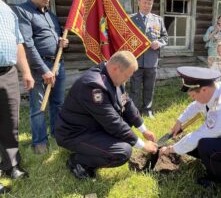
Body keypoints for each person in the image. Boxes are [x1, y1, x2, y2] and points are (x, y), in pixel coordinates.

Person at [55, 51, 158, 180]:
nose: (127, 80)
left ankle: (92, 151)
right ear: (116, 68)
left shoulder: (111, 75)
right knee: (122, 152)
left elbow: (126, 102)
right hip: (74, 133)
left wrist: (144, 129)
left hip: (91, 126)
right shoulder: (93, 86)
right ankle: (78, 161)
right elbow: (113, 122)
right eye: (126, 76)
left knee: (126, 122)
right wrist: (143, 145)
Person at [13, 0, 69, 154]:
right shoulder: (22, 12)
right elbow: (27, 44)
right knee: (38, 108)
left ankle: (56, 133)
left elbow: (56, 39)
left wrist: (62, 43)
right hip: (39, 68)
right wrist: (45, 70)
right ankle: (39, 142)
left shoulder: (51, 16)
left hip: (58, 65)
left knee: (58, 104)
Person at [0, 0, 34, 194]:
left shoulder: (6, 9)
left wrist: (26, 72)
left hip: (8, 73)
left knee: (10, 123)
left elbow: (18, 42)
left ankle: (10, 166)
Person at [130, 0, 168, 119]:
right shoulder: (131, 20)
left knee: (149, 87)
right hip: (136, 60)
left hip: (152, 60)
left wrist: (159, 43)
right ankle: (133, 112)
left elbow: (165, 37)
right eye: (145, 2)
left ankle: (147, 109)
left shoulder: (158, 20)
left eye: (149, 3)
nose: (147, 5)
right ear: (139, 2)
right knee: (134, 88)